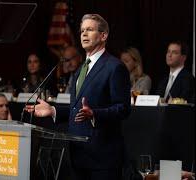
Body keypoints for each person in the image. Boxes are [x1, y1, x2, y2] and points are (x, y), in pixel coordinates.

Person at [26, 14, 131, 180]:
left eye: (89, 30)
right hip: (78, 156)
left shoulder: (115, 67)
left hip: (102, 158)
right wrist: (53, 110)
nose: (84, 34)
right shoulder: (82, 69)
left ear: (103, 35)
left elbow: (123, 108)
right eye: (82, 30)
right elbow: (78, 109)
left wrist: (95, 114)